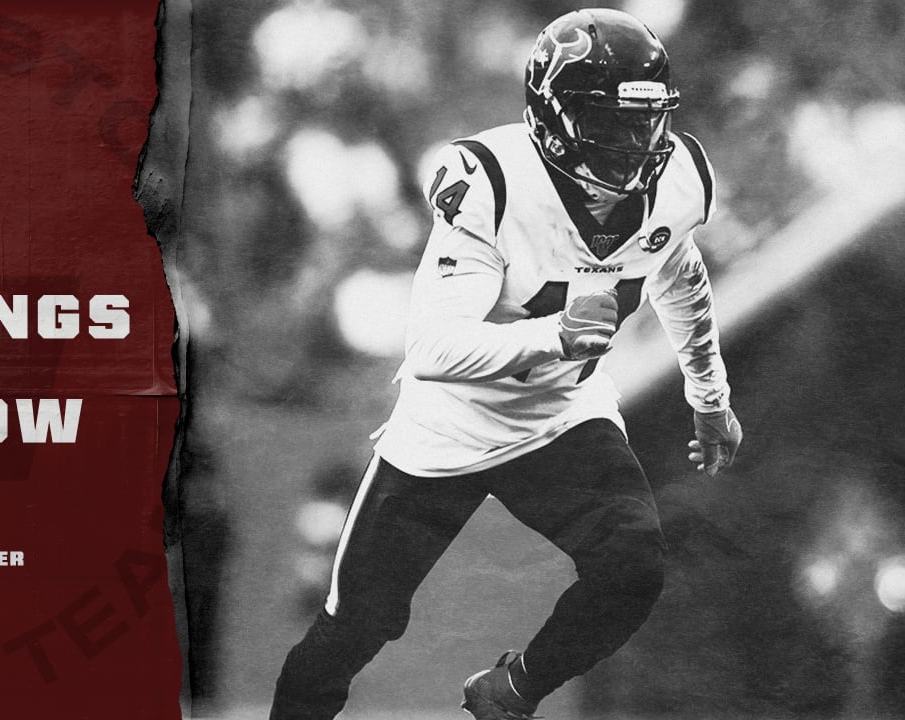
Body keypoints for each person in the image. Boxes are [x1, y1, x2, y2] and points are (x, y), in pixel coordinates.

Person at [269, 8, 744, 720]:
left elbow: (678, 272)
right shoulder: (491, 178)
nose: (636, 143)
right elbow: (433, 350)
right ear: (553, 118)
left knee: (632, 568)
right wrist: (553, 335)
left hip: (560, 417)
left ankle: (513, 690)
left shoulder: (677, 178)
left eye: (646, 120)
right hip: (451, 426)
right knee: (354, 628)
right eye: (611, 122)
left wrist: (709, 394)